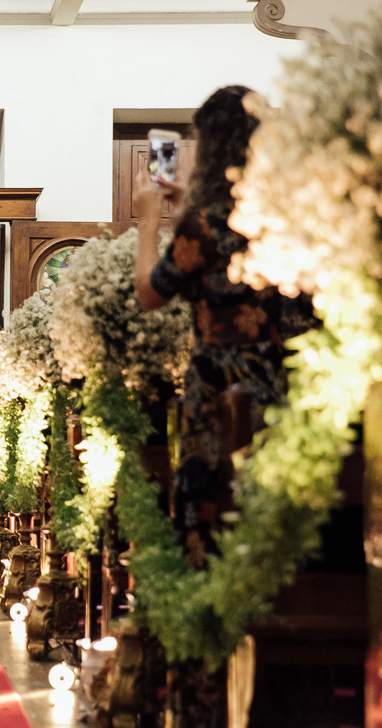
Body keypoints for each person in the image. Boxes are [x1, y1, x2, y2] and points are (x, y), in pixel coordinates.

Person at [133, 85, 310, 569]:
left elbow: (151, 293)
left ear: (210, 146)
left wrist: (149, 220)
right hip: (278, 377)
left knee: (208, 506)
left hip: (216, 382)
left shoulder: (205, 225)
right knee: (262, 503)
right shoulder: (285, 218)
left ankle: (208, 609)